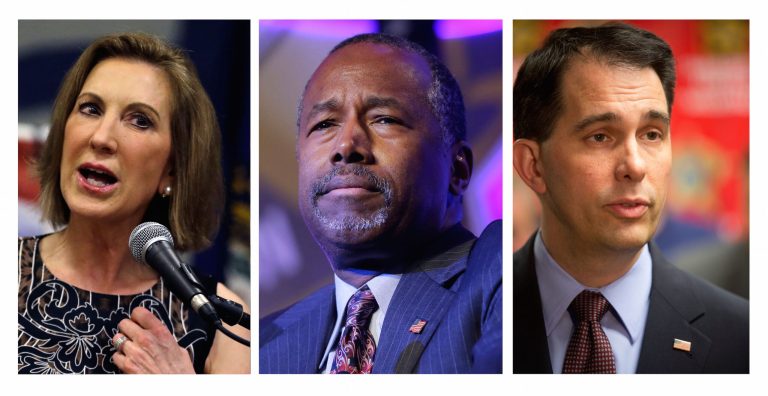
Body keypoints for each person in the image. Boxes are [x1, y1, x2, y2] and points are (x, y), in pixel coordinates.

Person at [259, 33, 502, 374]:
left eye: (384, 119)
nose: (346, 146)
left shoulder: (500, 277)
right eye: (324, 124)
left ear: (457, 170)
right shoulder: (265, 344)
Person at [512, 22, 748, 374]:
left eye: (652, 135)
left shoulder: (743, 337)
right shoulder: (481, 315)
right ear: (533, 166)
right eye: (600, 137)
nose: (635, 167)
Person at [17, 32, 250, 374]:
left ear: (172, 170)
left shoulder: (223, 322)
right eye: (90, 109)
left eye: (140, 120)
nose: (101, 137)